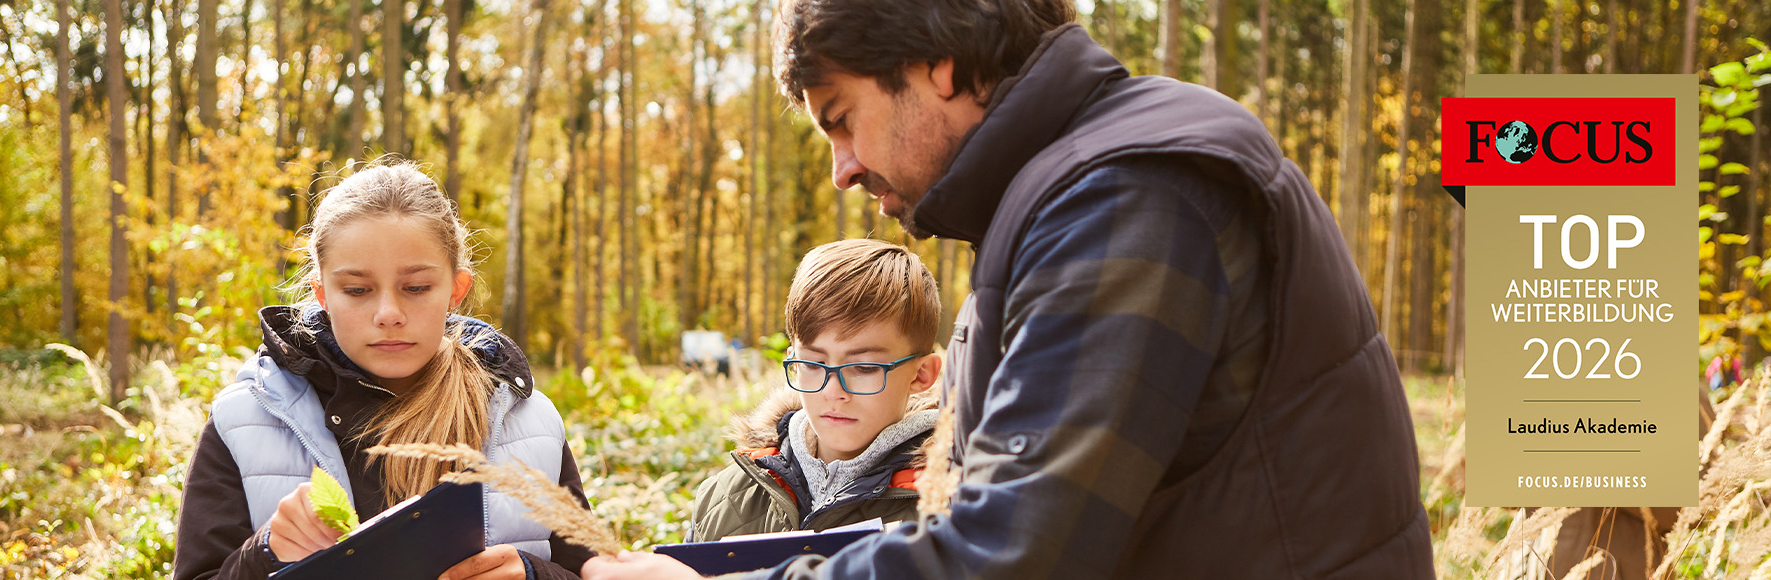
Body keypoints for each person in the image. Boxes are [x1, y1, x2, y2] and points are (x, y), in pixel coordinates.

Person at [584, 0, 1432, 578]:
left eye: (841, 117)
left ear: (937, 64)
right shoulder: (1062, 197)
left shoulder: (1125, 196)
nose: (842, 170)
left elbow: (1018, 551)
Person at [174, 161, 596, 580]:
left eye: (415, 288)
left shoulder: (530, 424)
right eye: (357, 290)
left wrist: (533, 573)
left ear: (456, 290)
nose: (388, 314)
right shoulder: (245, 421)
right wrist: (265, 553)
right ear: (322, 293)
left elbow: (588, 571)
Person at [685, 239, 941, 543]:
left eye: (864, 368)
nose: (833, 392)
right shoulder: (728, 496)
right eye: (812, 363)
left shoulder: (953, 504)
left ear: (921, 374)